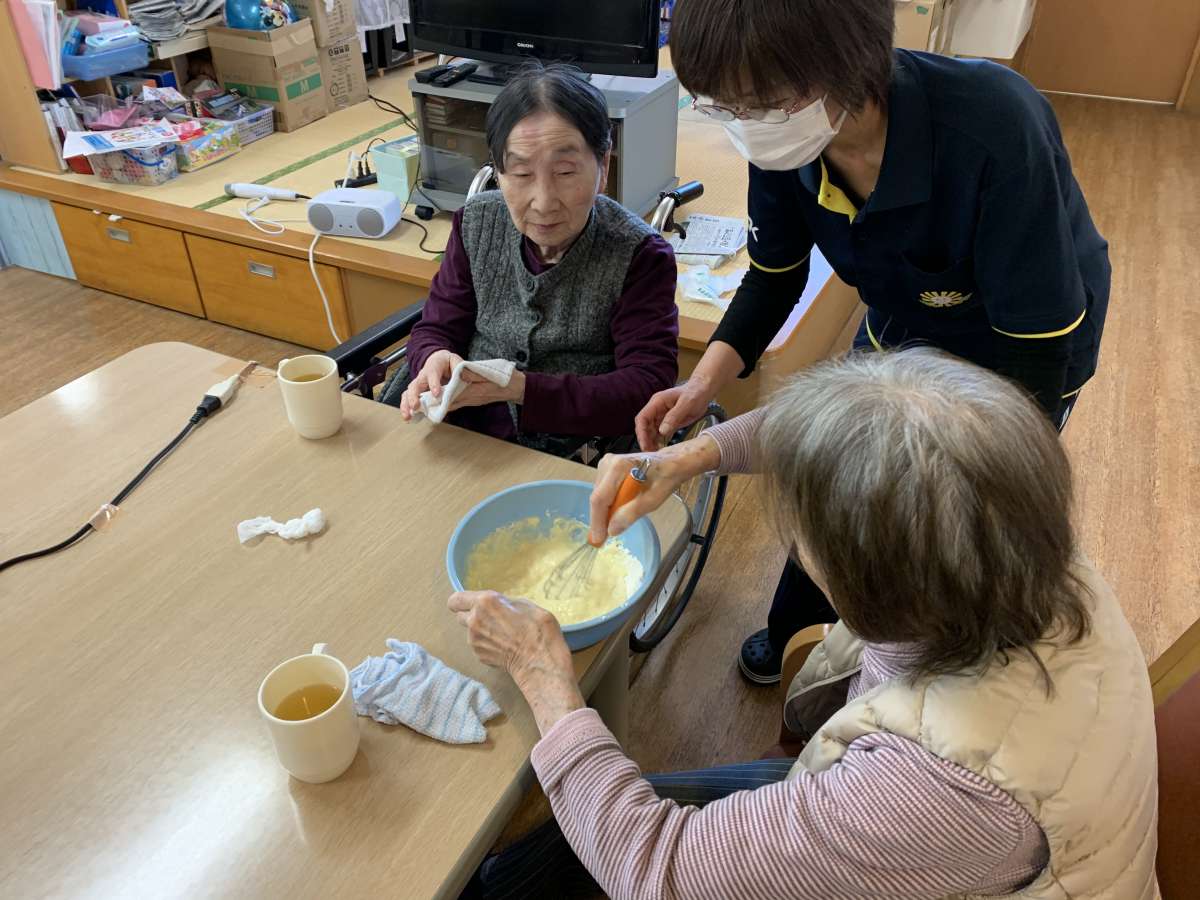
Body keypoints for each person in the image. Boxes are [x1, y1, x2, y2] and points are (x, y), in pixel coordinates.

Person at [450, 350, 1157, 900]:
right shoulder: (1007, 536)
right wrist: (690, 455)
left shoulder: (941, 793)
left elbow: (657, 868)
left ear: (859, 583)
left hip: (921, 841)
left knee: (561, 860)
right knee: (553, 853)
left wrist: (545, 679)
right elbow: (853, 434)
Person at [635, 0, 1113, 683]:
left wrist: (983, 472)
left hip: (1023, 339)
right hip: (903, 315)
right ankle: (798, 633)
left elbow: (1036, 348)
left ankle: (918, 661)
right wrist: (701, 383)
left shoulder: (992, 125)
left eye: (762, 104)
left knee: (943, 513)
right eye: (723, 108)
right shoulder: (784, 139)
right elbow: (773, 276)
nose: (745, 124)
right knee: (835, 480)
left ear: (849, 61)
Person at [389, 64, 680, 456]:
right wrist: (432, 356)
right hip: (451, 423)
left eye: (565, 172)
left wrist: (522, 390)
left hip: (564, 443)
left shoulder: (639, 254)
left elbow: (647, 385)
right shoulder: (476, 223)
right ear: (498, 172)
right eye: (522, 174)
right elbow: (436, 326)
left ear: (603, 167)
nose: (543, 202)